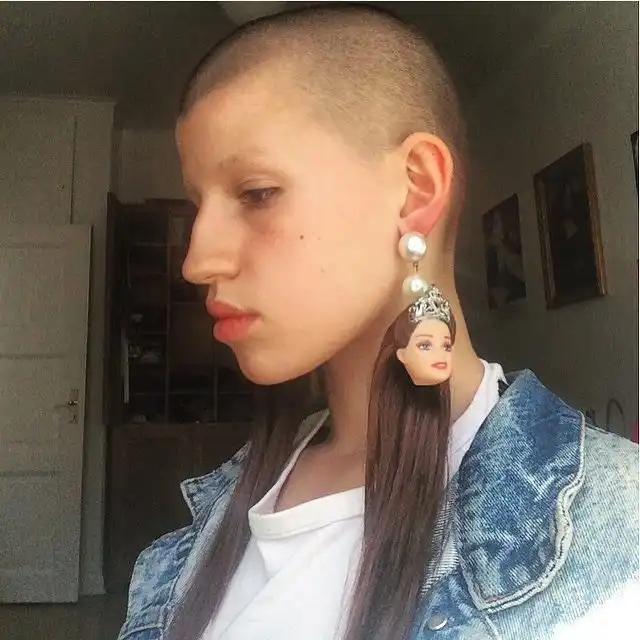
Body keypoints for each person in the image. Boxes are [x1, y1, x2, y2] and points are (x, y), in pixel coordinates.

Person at [117, 5, 639, 640]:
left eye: (256, 193)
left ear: (416, 189)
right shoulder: (202, 527)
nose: (198, 261)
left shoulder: (616, 536)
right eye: (200, 204)